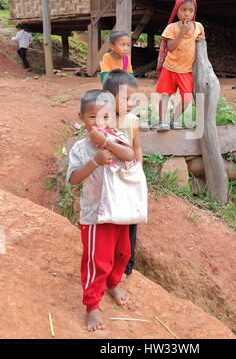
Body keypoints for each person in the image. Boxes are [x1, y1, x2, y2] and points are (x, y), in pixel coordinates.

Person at [67, 89, 135, 332]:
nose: (99, 123)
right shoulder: (79, 148)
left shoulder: (117, 137)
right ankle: (92, 305)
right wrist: (94, 161)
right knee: (97, 260)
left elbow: (129, 156)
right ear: (81, 118)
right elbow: (74, 179)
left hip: (120, 210)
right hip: (95, 215)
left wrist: (107, 142)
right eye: (93, 117)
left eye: (106, 117)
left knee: (122, 253)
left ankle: (113, 282)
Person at [103, 69, 142, 280]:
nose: (130, 103)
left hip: (129, 178)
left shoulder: (132, 121)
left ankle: (127, 266)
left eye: (133, 98)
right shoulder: (102, 123)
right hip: (110, 179)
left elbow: (137, 148)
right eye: (126, 98)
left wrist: (139, 171)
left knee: (130, 223)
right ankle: (107, 261)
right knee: (110, 223)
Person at [156, 0, 205, 131]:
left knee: (187, 98)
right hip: (170, 67)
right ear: (177, 10)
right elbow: (171, 47)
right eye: (183, 10)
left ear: (195, 11)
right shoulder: (172, 27)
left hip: (187, 70)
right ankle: (162, 122)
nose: (187, 14)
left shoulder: (199, 27)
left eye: (191, 10)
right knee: (165, 95)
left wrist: (201, 39)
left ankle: (174, 119)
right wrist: (181, 32)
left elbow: (202, 39)